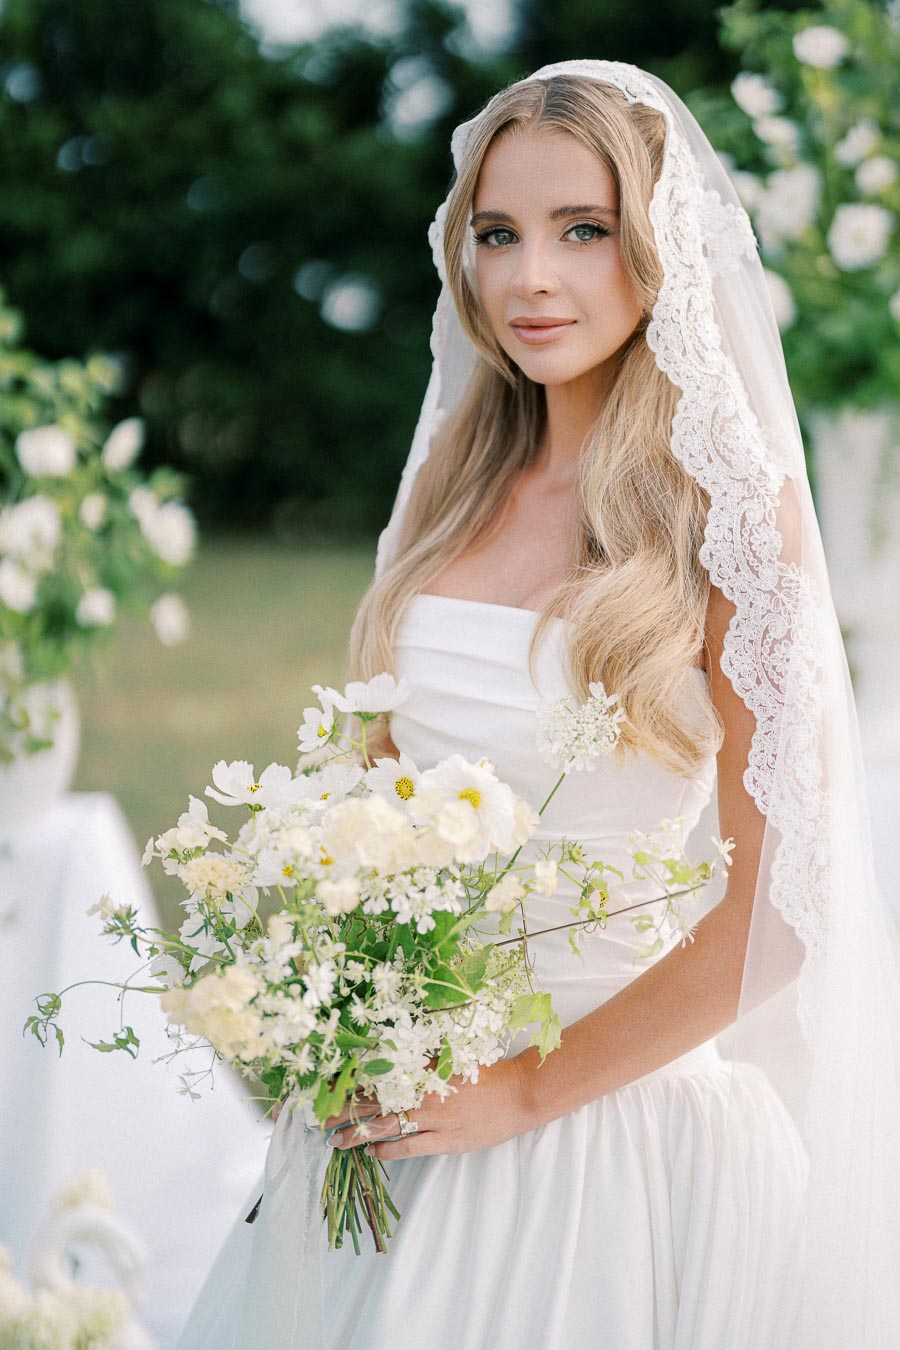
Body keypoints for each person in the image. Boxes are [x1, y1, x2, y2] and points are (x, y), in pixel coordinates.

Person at [175, 60, 900, 1349]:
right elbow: (368, 794)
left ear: (660, 251)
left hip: (600, 1141)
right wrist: (329, 995)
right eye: (498, 236)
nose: (531, 280)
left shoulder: (730, 528)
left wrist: (523, 1092)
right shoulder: (449, 498)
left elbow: (784, 916)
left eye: (585, 231)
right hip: (397, 1107)